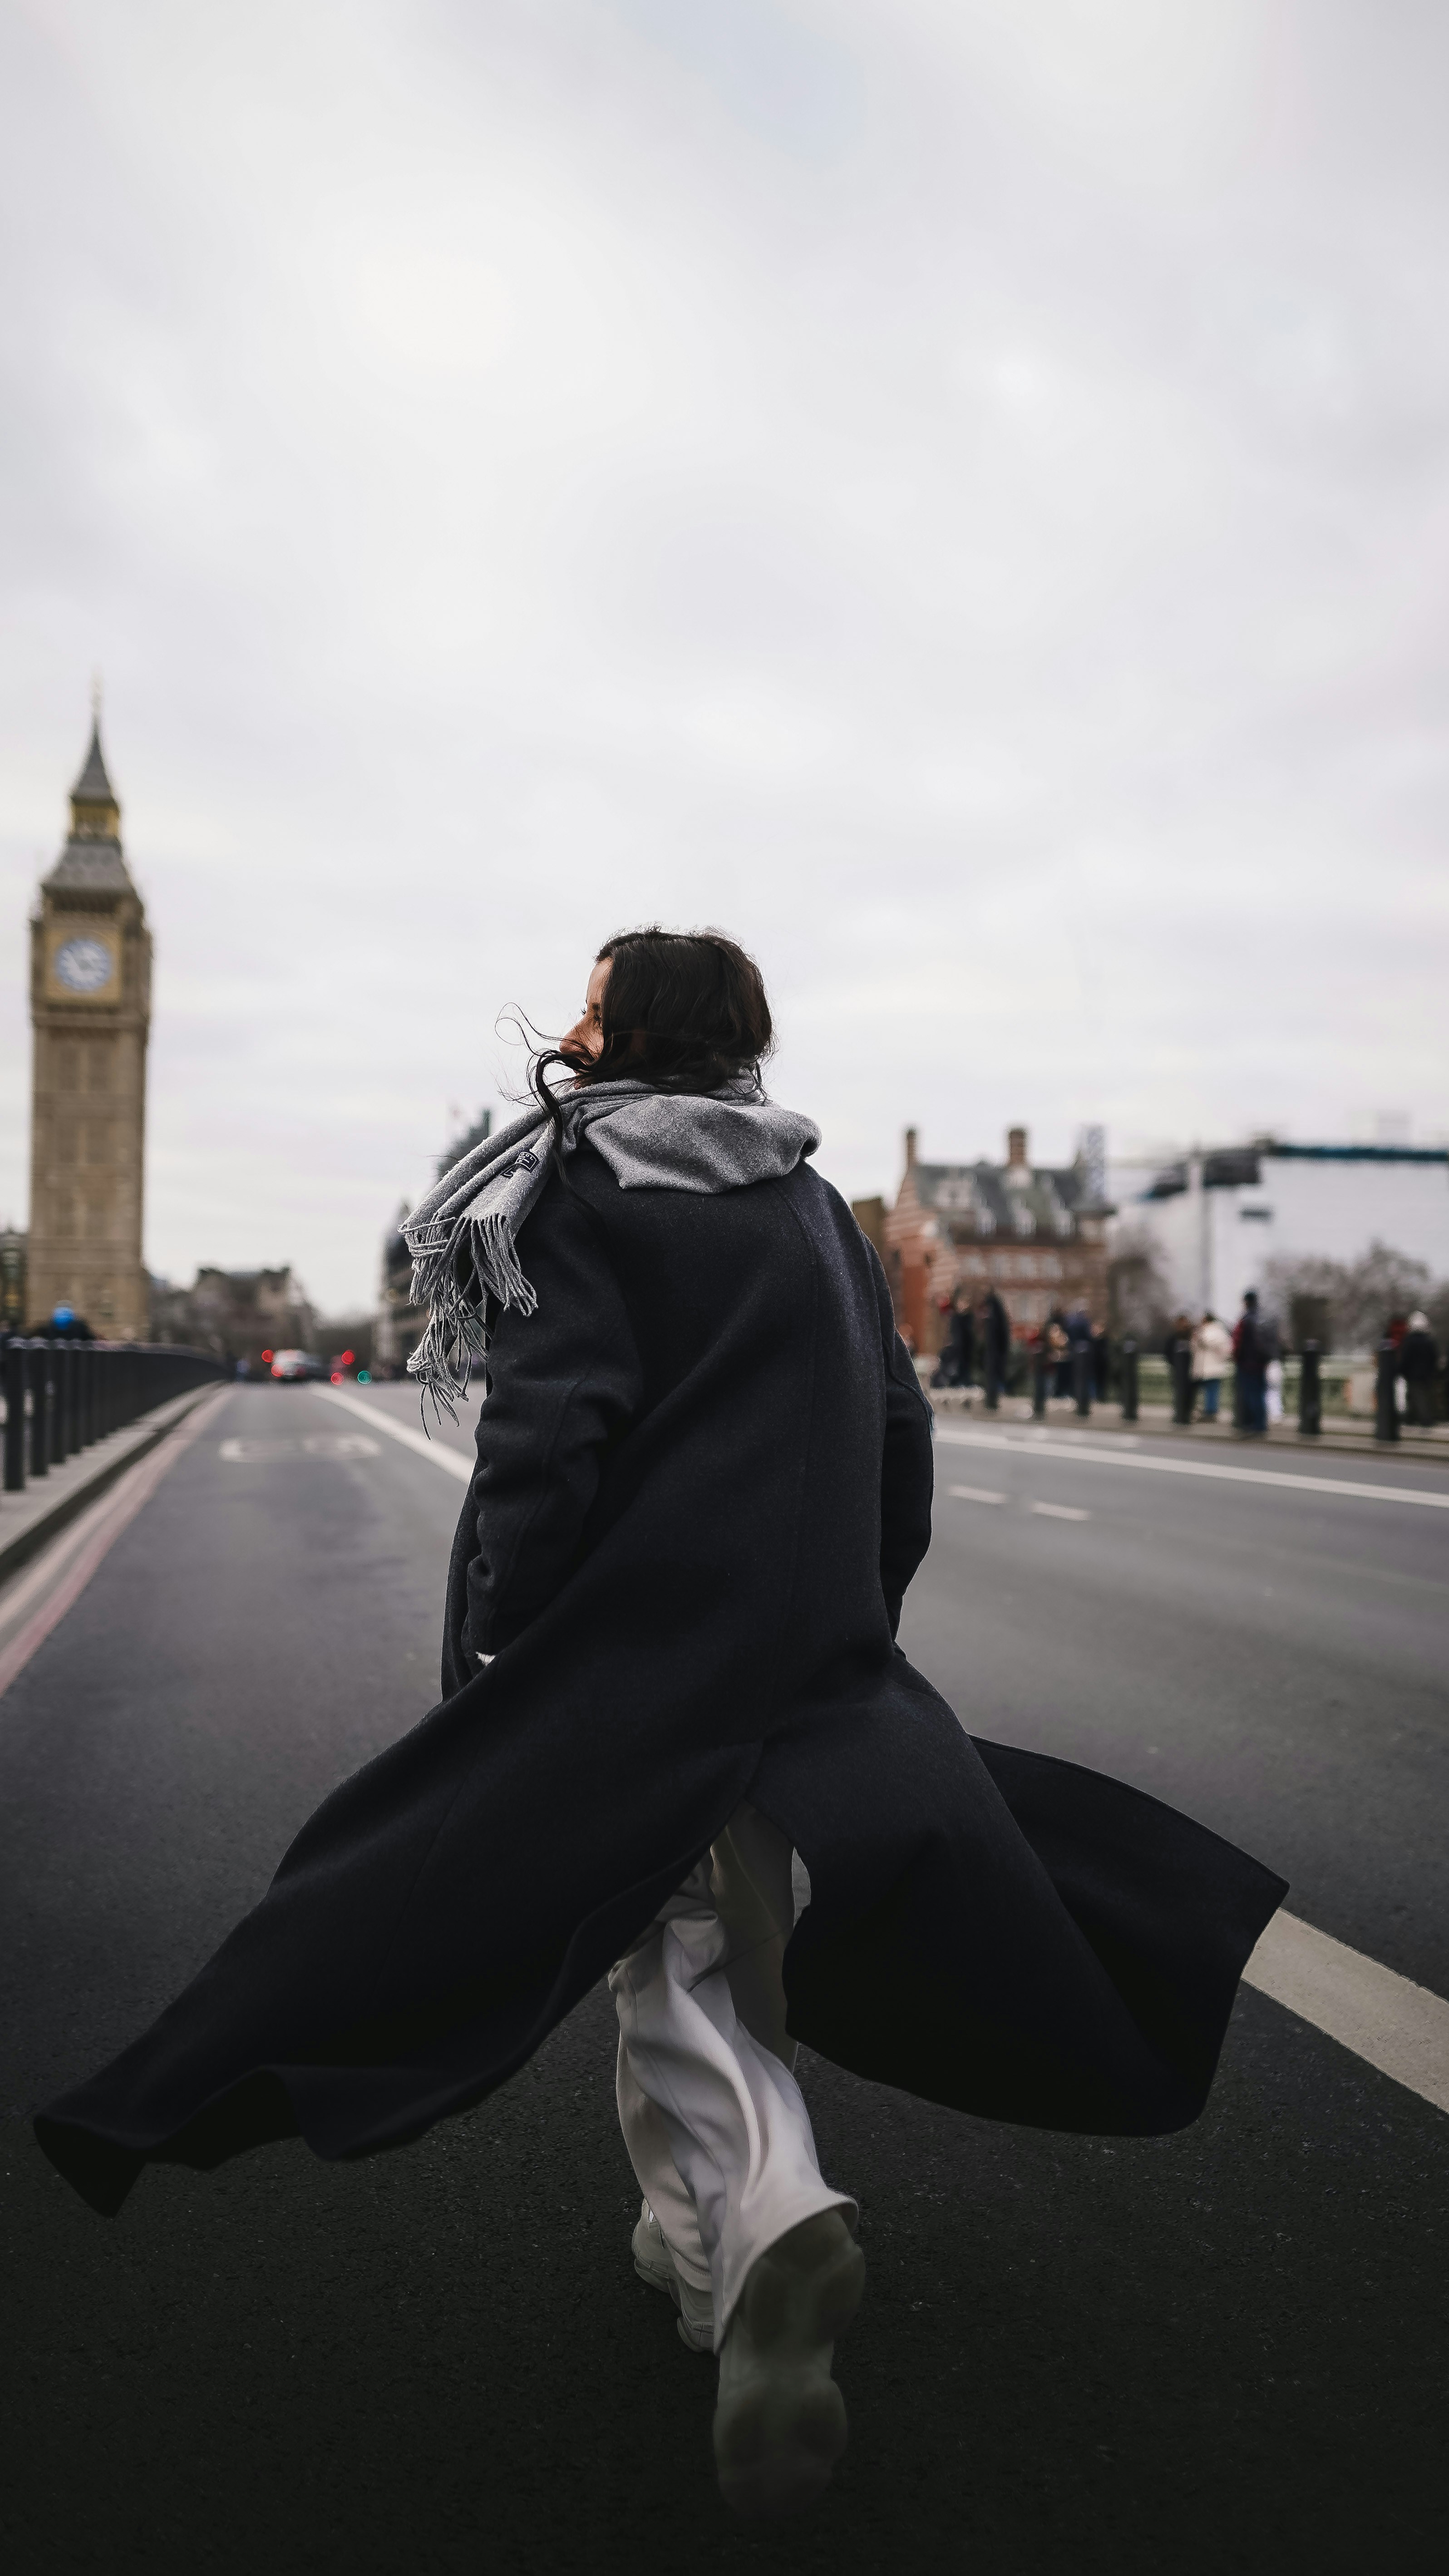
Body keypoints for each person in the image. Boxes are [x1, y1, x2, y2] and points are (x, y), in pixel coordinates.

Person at [34, 928, 1286, 2523]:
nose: (571, 1011)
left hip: (642, 1657)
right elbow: (894, 1427)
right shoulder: (813, 1204)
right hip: (807, 1652)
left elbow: (554, 1434)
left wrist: (514, 1634)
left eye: (597, 993)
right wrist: (856, 1613)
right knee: (730, 1936)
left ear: (634, 1030)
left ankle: (768, 2213)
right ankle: (697, 2253)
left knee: (663, 1943)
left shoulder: (586, 1187)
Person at [1232, 1290, 1272, 1435]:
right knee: (1260, 1393)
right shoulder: (1263, 1318)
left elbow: (1238, 1343)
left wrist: (1237, 1358)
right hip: (1261, 1363)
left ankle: (1254, 1425)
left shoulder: (1246, 1320)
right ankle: (1261, 1423)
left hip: (1247, 1364)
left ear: (1246, 1302)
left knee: (1250, 1394)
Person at [1400, 1311, 1440, 1429]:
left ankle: (1423, 1420)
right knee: (1424, 1396)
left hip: (1413, 1375)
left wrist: (1403, 1371)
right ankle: (1412, 1418)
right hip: (1427, 1375)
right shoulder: (1429, 1341)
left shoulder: (1409, 1341)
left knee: (1415, 1396)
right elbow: (1434, 1358)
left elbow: (1405, 1358)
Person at [1192, 1310, 1232, 1422]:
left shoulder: (1217, 1331)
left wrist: (1199, 1338)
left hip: (1213, 1367)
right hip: (1205, 1367)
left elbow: (1210, 1342)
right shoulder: (1207, 1330)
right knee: (1207, 1391)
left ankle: (1211, 1412)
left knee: (1212, 1391)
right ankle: (1206, 1411)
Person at [979, 1284, 1010, 1409]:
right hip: (995, 1350)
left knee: (992, 1375)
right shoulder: (997, 1310)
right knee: (993, 1375)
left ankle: (991, 1401)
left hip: (994, 1351)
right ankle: (992, 1401)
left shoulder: (993, 1311)